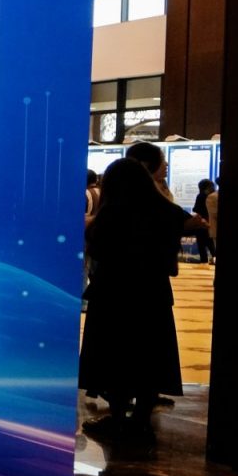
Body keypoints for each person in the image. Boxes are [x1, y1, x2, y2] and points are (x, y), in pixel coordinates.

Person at [80, 156, 192, 442]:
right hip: (153, 295)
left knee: (114, 356)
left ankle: (117, 418)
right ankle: (141, 419)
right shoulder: (167, 212)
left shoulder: (112, 213)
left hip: (113, 295)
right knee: (149, 356)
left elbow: (98, 249)